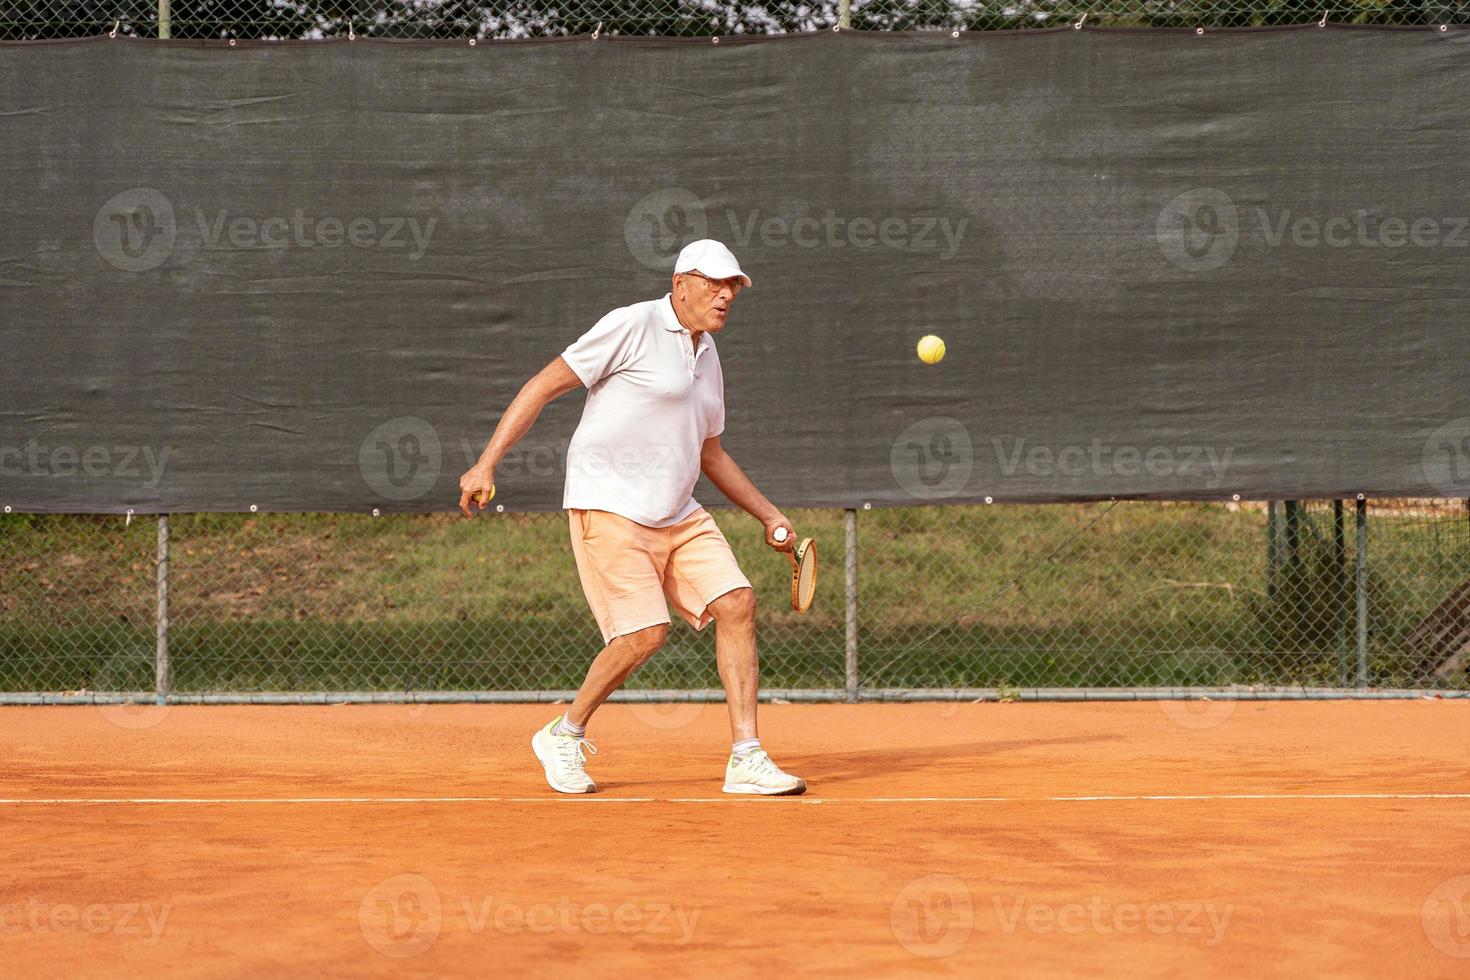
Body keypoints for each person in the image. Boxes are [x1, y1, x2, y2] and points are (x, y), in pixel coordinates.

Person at [458, 239, 806, 796]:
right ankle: (564, 733)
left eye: (732, 287)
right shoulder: (631, 325)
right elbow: (542, 386)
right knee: (644, 635)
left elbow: (710, 452)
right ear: (680, 285)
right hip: (610, 504)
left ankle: (746, 756)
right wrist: (485, 463)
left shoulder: (708, 355)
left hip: (678, 510)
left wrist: (768, 515)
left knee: (737, 603)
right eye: (713, 284)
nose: (724, 296)